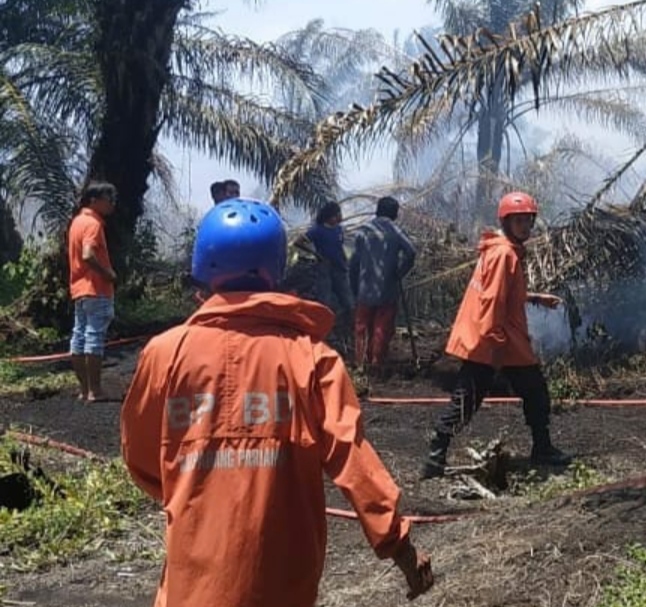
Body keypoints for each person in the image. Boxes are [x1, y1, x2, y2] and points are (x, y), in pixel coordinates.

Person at [119, 199, 434, 607]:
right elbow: (355, 464)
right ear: (275, 269)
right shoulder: (312, 359)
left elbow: (142, 458)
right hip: (283, 584)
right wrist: (402, 550)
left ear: (203, 265)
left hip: (189, 586)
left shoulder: (164, 354)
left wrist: (197, 483)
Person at [421, 191, 572, 479]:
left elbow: (504, 293)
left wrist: (535, 297)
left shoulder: (497, 249)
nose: (525, 227)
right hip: (498, 339)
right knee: (527, 392)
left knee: (475, 396)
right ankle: (541, 448)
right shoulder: (505, 254)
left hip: (489, 336)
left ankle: (436, 454)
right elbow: (492, 300)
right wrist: (497, 343)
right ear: (506, 221)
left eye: (528, 220)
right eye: (519, 221)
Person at [349, 196, 416, 371]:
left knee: (361, 327)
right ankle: (376, 365)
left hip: (364, 288)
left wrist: (353, 285)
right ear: (395, 213)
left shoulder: (363, 230)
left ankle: (360, 365)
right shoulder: (395, 231)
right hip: (387, 288)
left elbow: (354, 262)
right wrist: (399, 273)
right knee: (381, 328)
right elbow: (411, 252)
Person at [68, 181, 118, 403]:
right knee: (94, 337)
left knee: (79, 337)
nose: (112, 204)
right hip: (96, 288)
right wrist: (107, 273)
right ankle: (95, 390)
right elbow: (88, 254)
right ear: (94, 200)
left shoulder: (77, 222)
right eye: (109, 199)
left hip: (79, 289)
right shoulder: (93, 224)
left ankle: (84, 389)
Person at [293, 202, 353, 318]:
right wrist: (315, 254)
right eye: (338, 214)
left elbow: (339, 247)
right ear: (330, 216)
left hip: (340, 268)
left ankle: (346, 326)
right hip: (324, 268)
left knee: (347, 299)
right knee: (324, 300)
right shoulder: (317, 230)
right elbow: (298, 242)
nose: (340, 217)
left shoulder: (339, 229)